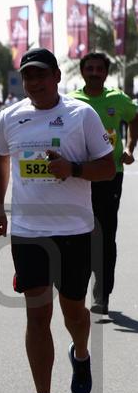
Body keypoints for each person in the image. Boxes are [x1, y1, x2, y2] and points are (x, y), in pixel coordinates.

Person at [0, 48, 115, 393]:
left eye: (41, 75)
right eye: (28, 76)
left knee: (73, 310)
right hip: (29, 233)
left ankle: (81, 353)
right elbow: (0, 159)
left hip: (74, 231)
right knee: (37, 313)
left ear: (57, 76)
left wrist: (72, 168)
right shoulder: (10, 117)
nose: (34, 82)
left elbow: (107, 168)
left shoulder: (81, 115)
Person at [69, 52, 138, 314]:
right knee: (78, 233)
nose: (95, 73)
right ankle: (75, 290)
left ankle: (101, 295)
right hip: (79, 175)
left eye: (99, 69)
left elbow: (134, 118)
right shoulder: (71, 101)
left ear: (106, 73)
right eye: (90, 68)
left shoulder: (118, 99)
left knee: (106, 235)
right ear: (82, 72)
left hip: (110, 174)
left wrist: (129, 148)